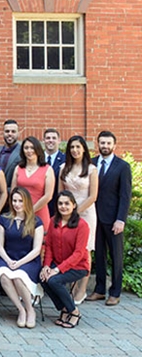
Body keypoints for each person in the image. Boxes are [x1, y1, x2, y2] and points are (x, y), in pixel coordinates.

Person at [87, 130, 131, 306]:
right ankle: (99, 290)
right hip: (94, 217)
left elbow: (125, 195)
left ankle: (115, 292)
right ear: (98, 144)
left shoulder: (122, 166)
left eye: (108, 143)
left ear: (114, 145)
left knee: (116, 256)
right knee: (99, 255)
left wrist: (121, 219)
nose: (105, 146)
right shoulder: (91, 163)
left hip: (113, 219)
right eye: (102, 143)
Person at [0, 187, 44, 329]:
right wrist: (8, 261)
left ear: (26, 201)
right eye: (14, 201)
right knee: (4, 276)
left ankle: (30, 310)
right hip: (7, 258)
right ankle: (21, 310)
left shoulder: (36, 221)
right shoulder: (4, 219)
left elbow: (37, 249)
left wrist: (20, 262)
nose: (17, 204)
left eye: (20, 201)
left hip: (28, 260)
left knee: (18, 277)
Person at [40, 191, 89, 328]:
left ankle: (74, 311)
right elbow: (49, 246)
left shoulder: (82, 225)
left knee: (54, 281)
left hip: (77, 266)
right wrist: (46, 266)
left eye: (67, 203)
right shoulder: (53, 221)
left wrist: (57, 270)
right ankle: (64, 308)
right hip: (57, 264)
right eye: (60, 203)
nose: (63, 206)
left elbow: (79, 253)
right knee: (42, 278)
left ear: (74, 205)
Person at [59, 135, 98, 304]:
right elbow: (60, 193)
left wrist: (75, 212)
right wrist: (65, 212)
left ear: (84, 149)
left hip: (86, 213)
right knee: (68, 249)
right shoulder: (63, 168)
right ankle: (71, 286)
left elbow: (93, 196)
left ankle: (81, 290)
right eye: (72, 147)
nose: (75, 150)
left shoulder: (91, 169)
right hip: (66, 212)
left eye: (78, 147)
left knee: (84, 250)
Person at [11, 136, 55, 232]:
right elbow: (13, 192)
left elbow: (48, 196)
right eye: (26, 148)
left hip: (39, 212)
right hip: (19, 212)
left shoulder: (47, 169)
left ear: (37, 149)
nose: (29, 151)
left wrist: (30, 211)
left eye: (32, 148)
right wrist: (20, 211)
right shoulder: (18, 168)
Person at [43, 128, 66, 216]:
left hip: (58, 206)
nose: (50, 140)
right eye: (48, 138)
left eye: (54, 138)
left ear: (59, 141)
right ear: (43, 140)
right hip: (40, 204)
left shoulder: (65, 159)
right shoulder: (37, 159)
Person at [0, 119, 21, 187]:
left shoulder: (22, 152)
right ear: (3, 133)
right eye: (7, 131)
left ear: (18, 133)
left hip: (12, 191)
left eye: (13, 131)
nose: (10, 134)